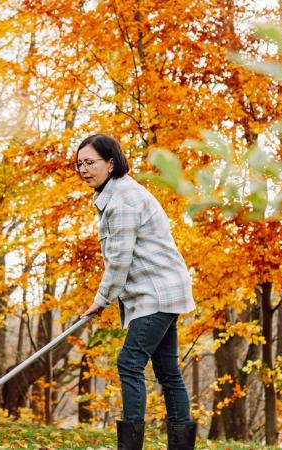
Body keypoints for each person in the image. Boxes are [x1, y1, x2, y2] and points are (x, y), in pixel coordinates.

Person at [77, 134, 197, 450]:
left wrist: (99, 301)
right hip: (161, 292)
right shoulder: (116, 195)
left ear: (111, 163)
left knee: (129, 362)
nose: (84, 169)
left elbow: (119, 261)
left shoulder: (123, 200)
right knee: (168, 371)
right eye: (79, 164)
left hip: (156, 293)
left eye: (90, 162)